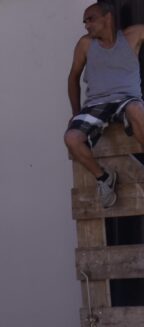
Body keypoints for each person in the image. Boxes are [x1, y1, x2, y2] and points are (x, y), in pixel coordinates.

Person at [65, 3, 144, 208]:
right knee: (71, 138)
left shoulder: (134, 35)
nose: (86, 25)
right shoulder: (85, 44)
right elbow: (73, 78)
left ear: (107, 17)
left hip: (126, 100)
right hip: (96, 104)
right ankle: (104, 178)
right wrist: (76, 113)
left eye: (90, 19)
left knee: (136, 110)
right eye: (85, 22)